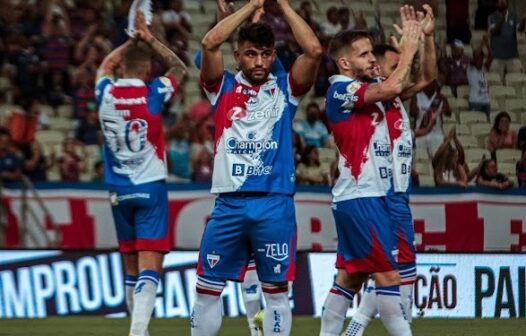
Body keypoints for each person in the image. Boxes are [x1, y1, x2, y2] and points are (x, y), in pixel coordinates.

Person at [190, 0, 321, 334]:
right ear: (238, 57)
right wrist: (250, 7)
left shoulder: (285, 90)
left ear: (274, 56)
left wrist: (284, 7)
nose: (259, 61)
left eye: (265, 54)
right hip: (229, 204)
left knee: (276, 295)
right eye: (251, 54)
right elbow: (209, 44)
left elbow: (314, 51)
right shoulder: (222, 87)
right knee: (206, 291)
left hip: (274, 203)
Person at [319, 8, 421, 335]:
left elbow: (402, 85)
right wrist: (409, 50)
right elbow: (391, 88)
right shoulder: (340, 90)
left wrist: (418, 46)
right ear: (345, 63)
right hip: (362, 197)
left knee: (350, 278)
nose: (370, 59)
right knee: (389, 277)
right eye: (363, 55)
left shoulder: (366, 89)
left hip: (364, 197)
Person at [342, 5, 437, 335]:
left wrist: (427, 38)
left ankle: (355, 326)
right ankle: (394, 327)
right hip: (380, 197)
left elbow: (428, 77)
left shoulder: (393, 93)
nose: (403, 69)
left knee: (386, 271)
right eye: (393, 65)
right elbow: (398, 84)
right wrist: (411, 48)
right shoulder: (368, 94)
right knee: (398, 272)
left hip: (398, 195)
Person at [95, 11, 186, 336]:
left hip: (118, 191)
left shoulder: (104, 92)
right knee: (150, 267)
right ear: (147, 70)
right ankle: (137, 333)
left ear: (121, 66)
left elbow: (104, 67)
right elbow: (180, 68)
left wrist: (129, 41)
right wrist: (150, 40)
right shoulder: (152, 94)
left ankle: (140, 331)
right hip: (150, 188)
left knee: (131, 268)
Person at [467, 36, 493, 118]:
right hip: (475, 101)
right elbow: (476, 53)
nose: (480, 61)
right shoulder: (470, 68)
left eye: (481, 59)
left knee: (486, 124)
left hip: (486, 101)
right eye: (478, 59)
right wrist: (482, 43)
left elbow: (491, 56)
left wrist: (487, 44)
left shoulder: (484, 68)